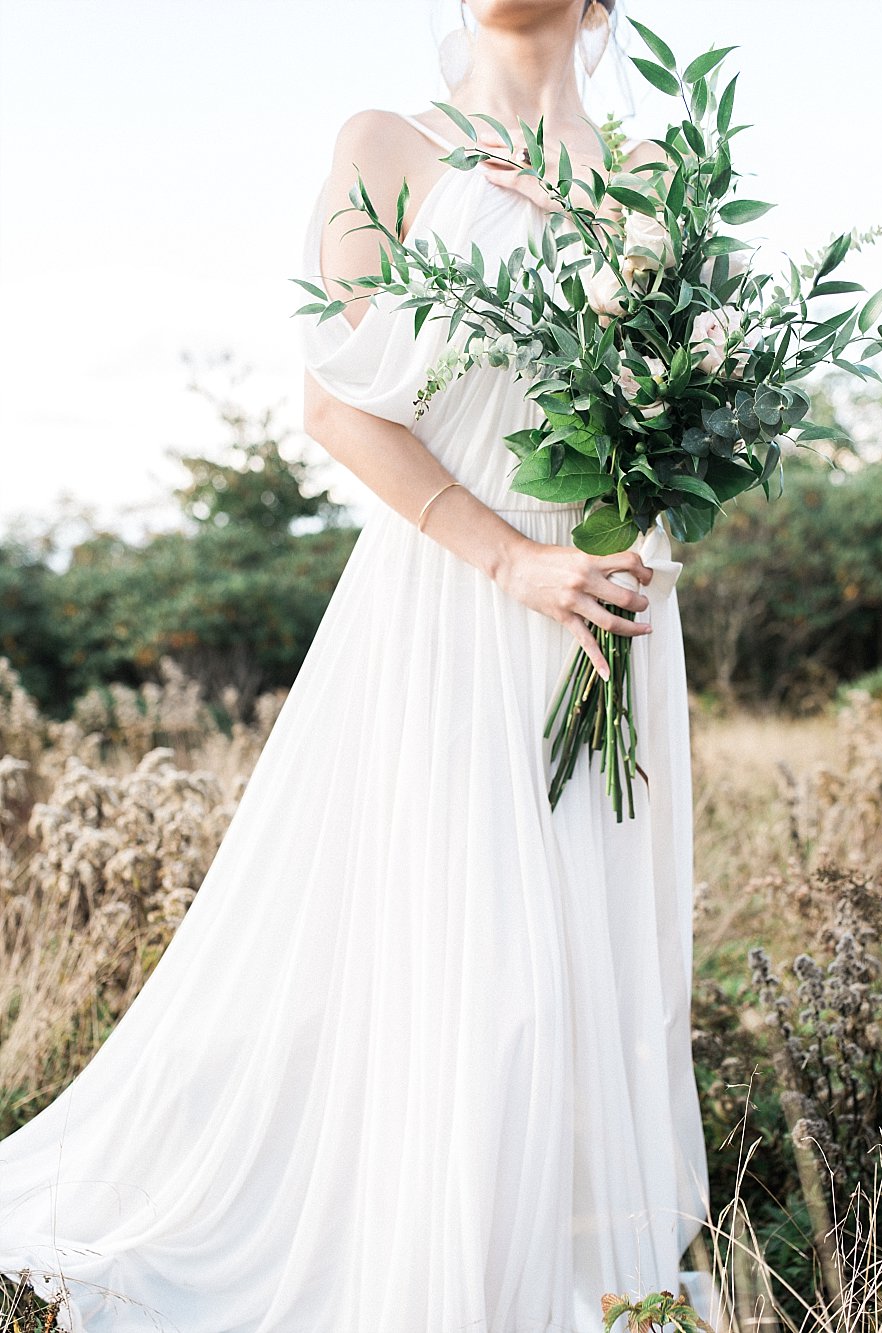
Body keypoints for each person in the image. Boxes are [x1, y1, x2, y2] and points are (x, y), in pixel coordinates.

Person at [0, 1, 712, 1328]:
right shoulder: (387, 145)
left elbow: (678, 404)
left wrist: (618, 544)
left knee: (584, 963)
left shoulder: (657, 180)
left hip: (610, 604)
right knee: (486, 966)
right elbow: (334, 405)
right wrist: (512, 563)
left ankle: (576, 1273)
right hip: (455, 602)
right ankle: (432, 1270)